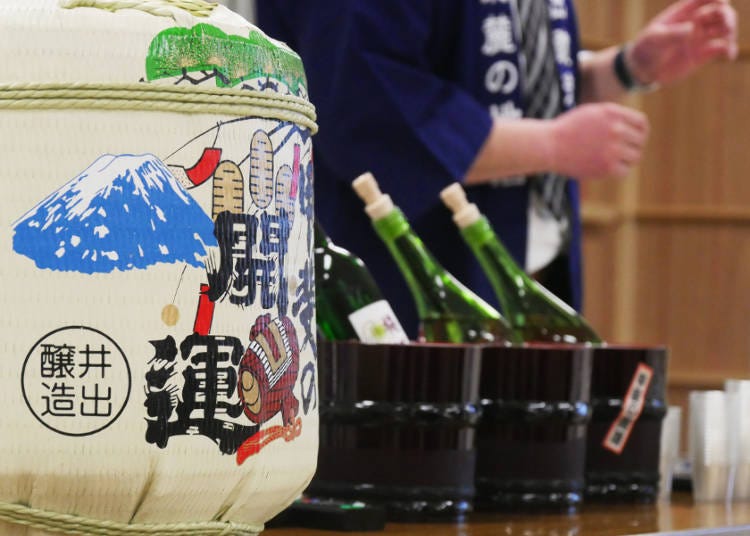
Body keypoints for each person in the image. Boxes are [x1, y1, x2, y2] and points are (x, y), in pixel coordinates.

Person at [256, 0, 737, 339]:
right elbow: (365, 108)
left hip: (527, 277)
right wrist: (549, 145)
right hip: (404, 286)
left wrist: (625, 69)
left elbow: (491, 80)